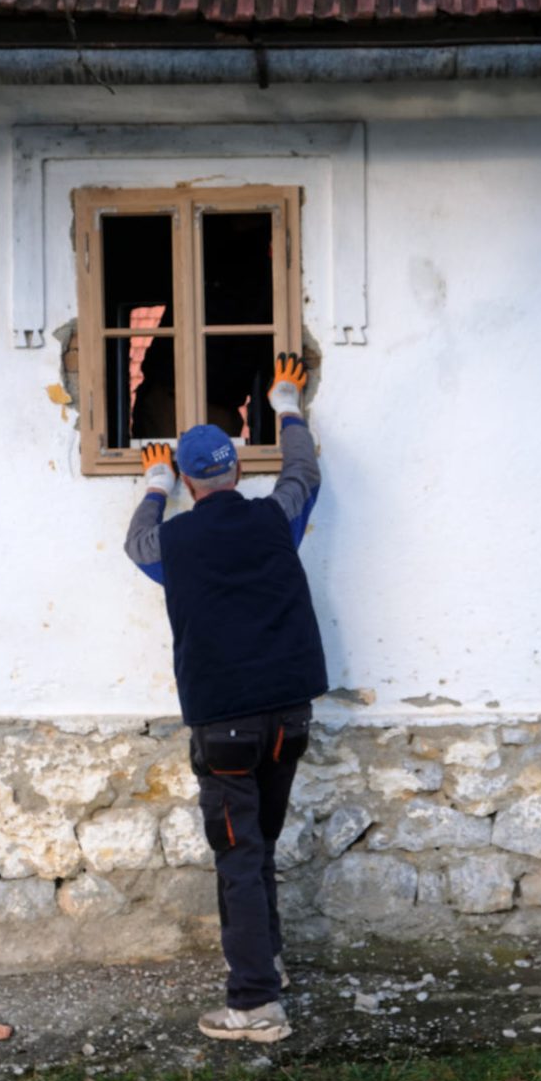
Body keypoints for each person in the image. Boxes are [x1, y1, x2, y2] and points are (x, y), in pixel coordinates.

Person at [124, 353, 328, 1044]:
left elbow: (137, 542)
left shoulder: (173, 543)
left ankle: (254, 1005)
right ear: (237, 469)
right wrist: (287, 405)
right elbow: (304, 474)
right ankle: (265, 961)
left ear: (188, 479)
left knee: (239, 854)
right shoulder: (277, 520)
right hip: (289, 717)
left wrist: (153, 487)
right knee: (259, 842)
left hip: (227, 728)